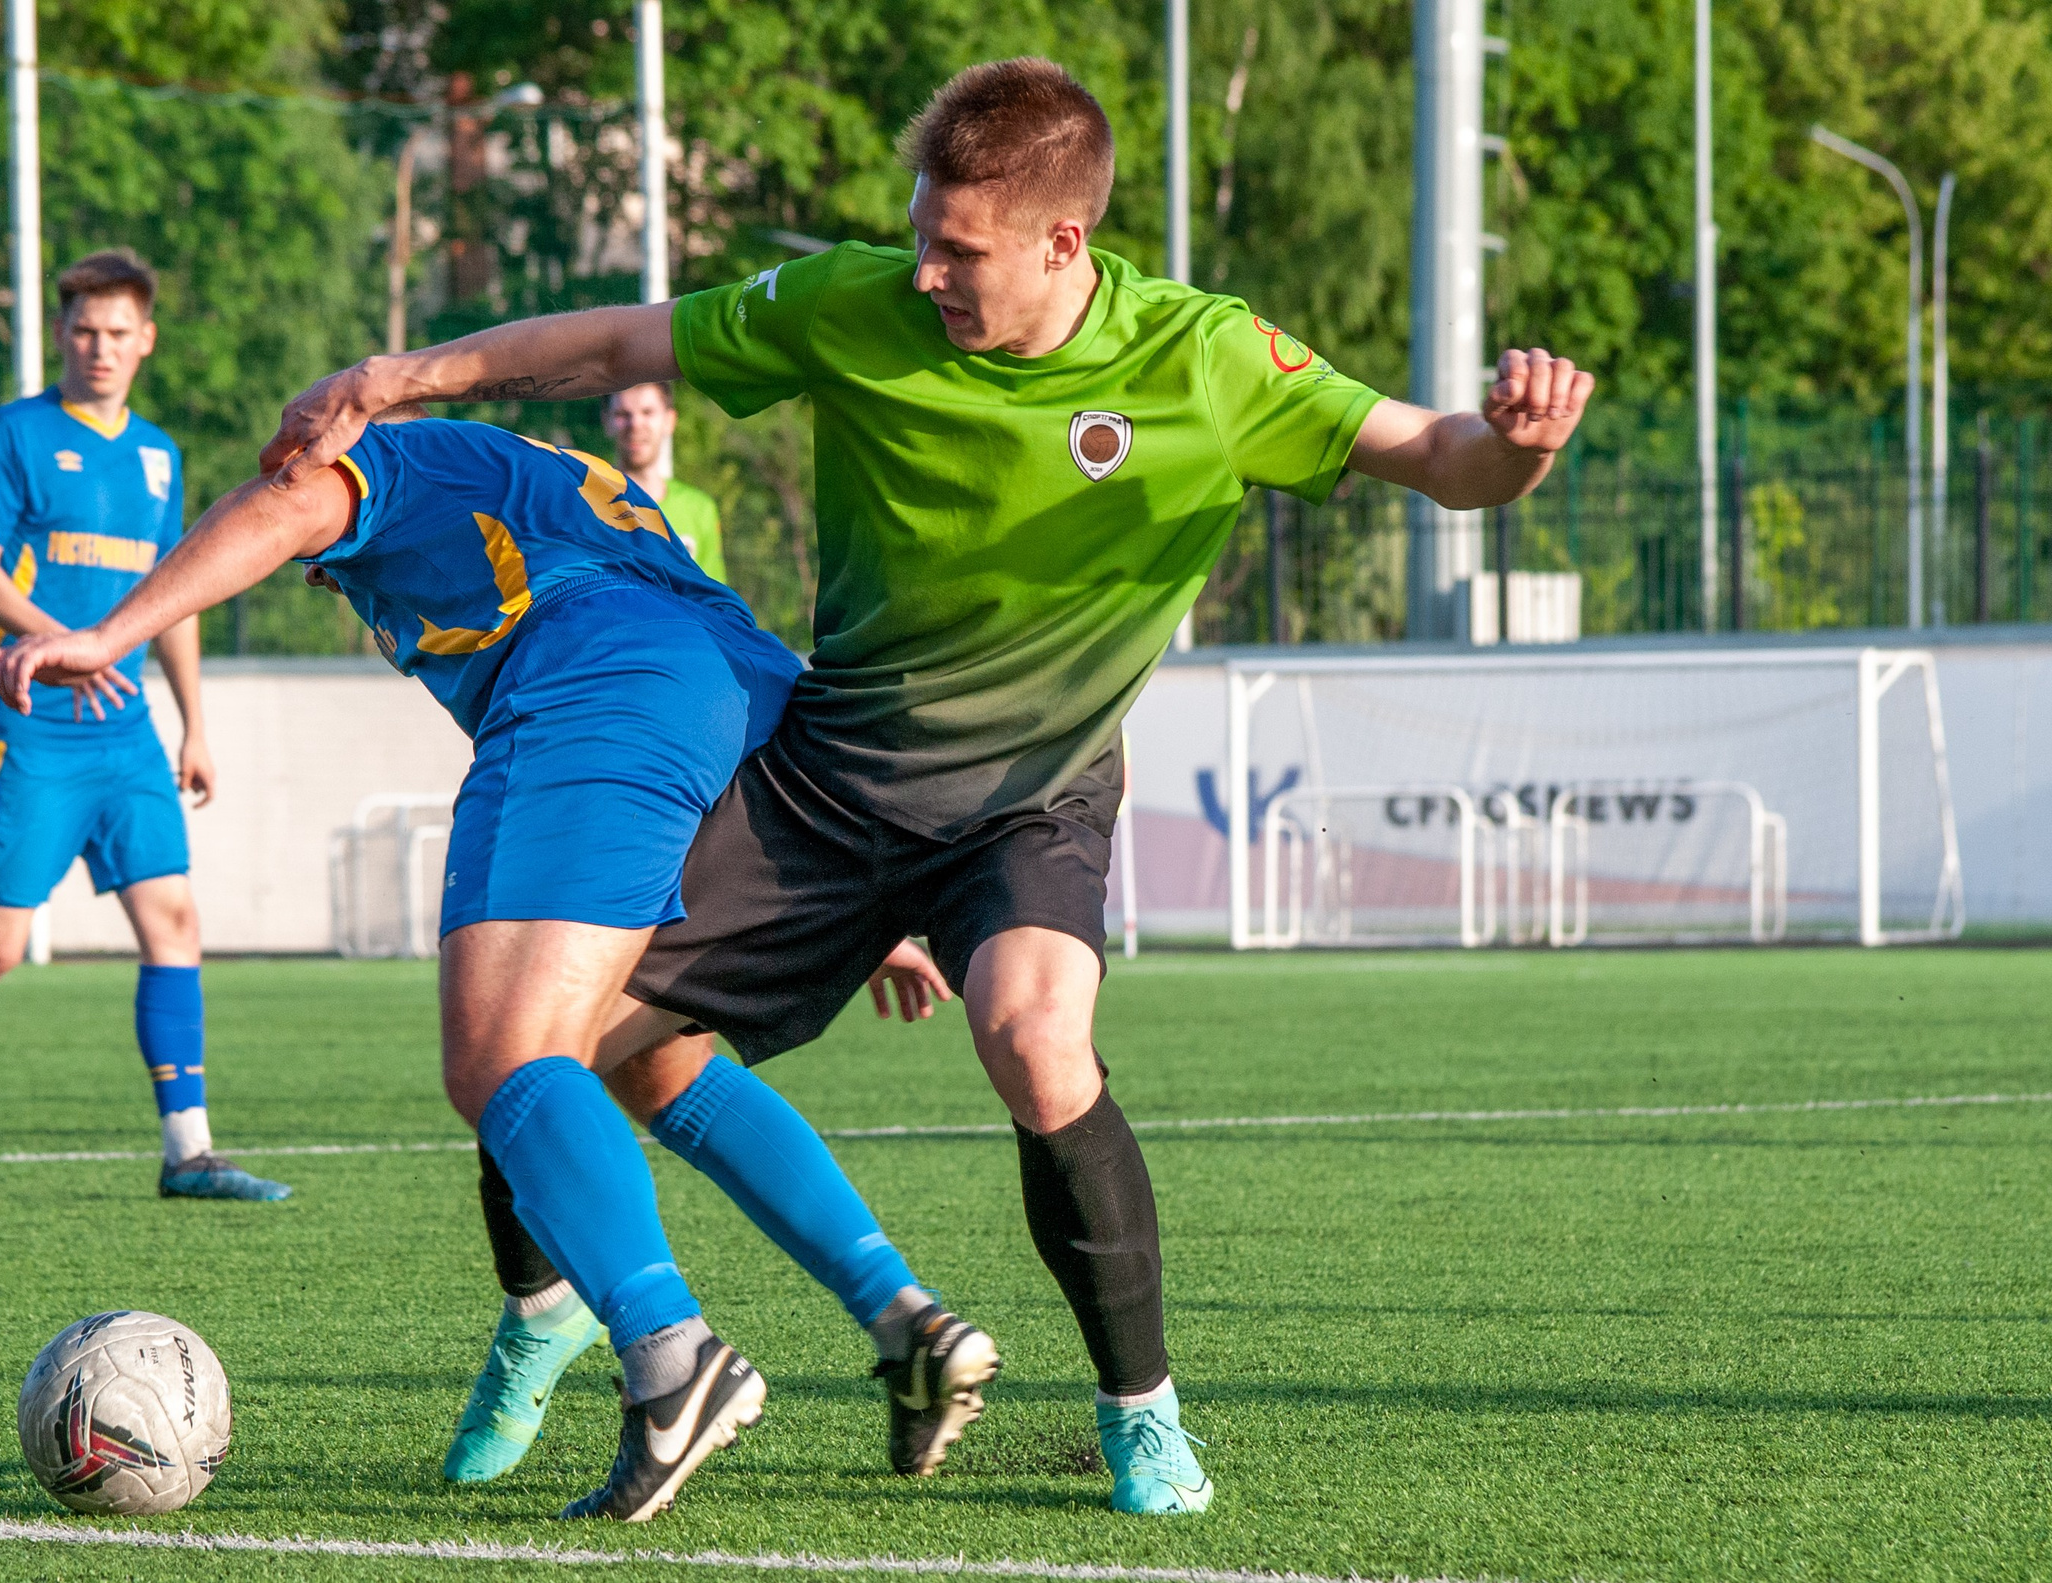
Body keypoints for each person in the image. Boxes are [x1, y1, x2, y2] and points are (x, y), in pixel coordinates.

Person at [258, 57, 1598, 1517]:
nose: (927, 271)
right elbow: (622, 343)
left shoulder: (1206, 362)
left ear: (1061, 245)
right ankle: (545, 1314)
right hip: (830, 781)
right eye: (920, 234)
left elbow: (1441, 454)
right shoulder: (858, 307)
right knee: (538, 1046)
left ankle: (1140, 1410)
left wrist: (1518, 448)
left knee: (1034, 1040)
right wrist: (405, 376)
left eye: (956, 249)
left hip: (1033, 800)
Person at [0, 412, 1001, 1521]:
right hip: (742, 699)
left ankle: (672, 1358)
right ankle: (907, 1324)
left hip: (595, 683)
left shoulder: (389, 459)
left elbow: (284, 505)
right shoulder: (550, 481)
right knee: (654, 1059)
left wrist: (109, 633)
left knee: (500, 1057)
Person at [0, 248, 289, 1206]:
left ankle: (189, 1149)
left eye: (119, 332)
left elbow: (179, 596)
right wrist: (70, 643)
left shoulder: (159, 454)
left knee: (173, 922)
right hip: (28, 722)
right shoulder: (13, 436)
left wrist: (194, 722)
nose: (101, 348)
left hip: (125, 729)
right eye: (84, 330)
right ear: (61, 334)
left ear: (147, 339)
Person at [603, 383, 724, 580]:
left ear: (669, 420)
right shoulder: (583, 505)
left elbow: (713, 601)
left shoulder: (699, 509)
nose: (635, 424)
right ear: (606, 420)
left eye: (648, 412)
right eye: (623, 414)